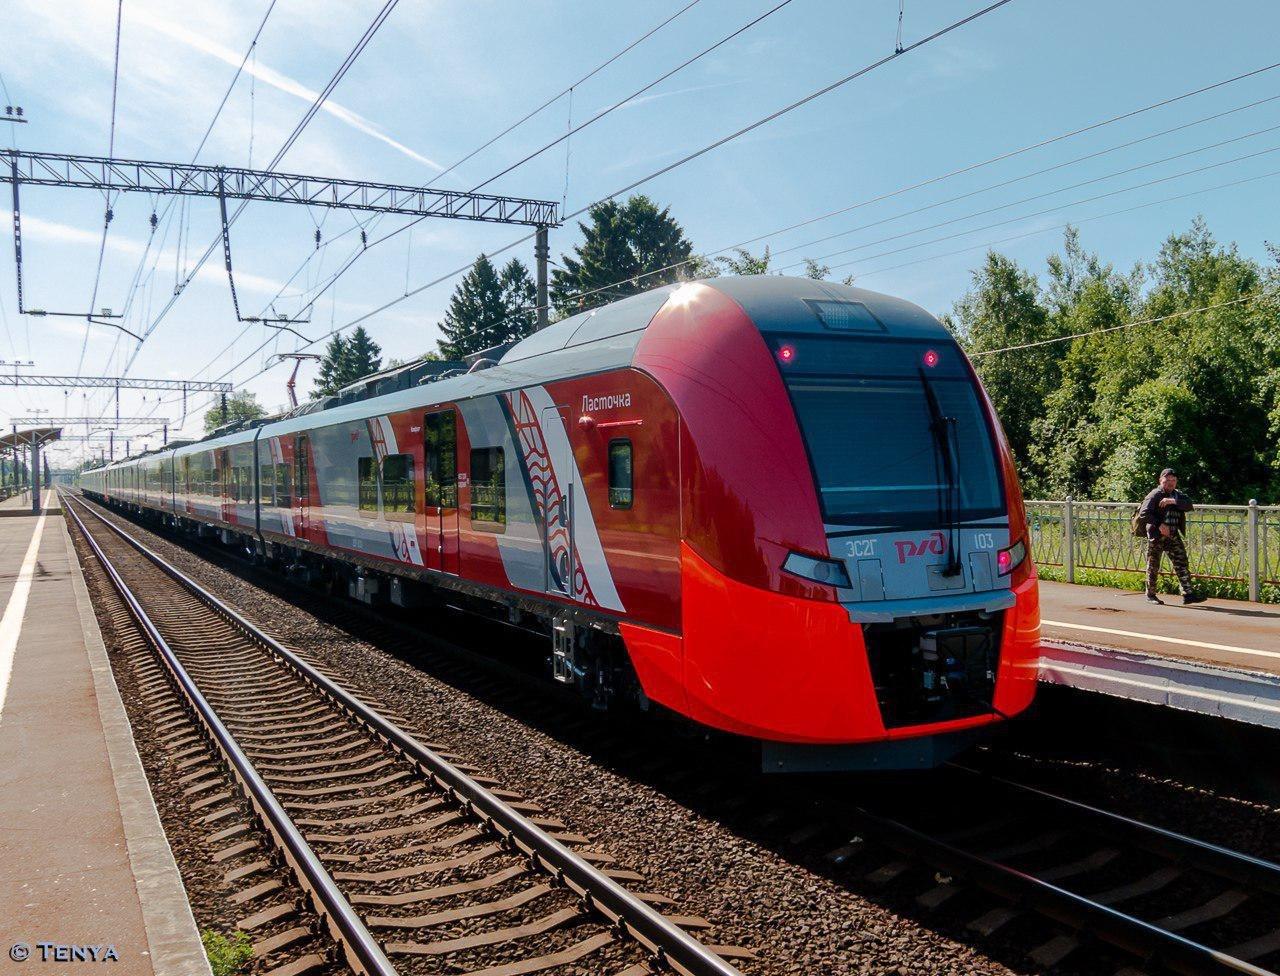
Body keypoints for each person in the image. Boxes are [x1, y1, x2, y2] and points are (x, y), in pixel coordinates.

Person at [1137, 468, 1205, 605]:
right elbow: (1144, 514)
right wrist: (1159, 525)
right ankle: (1150, 595)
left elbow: (1189, 505)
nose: (1171, 483)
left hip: (1173, 535)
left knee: (1181, 562)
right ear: (1160, 481)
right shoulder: (1154, 494)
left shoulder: (1177, 495)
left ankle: (1188, 594)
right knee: (1153, 565)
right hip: (1157, 535)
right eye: (1167, 480)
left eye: (1173, 480)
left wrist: (1172, 501)